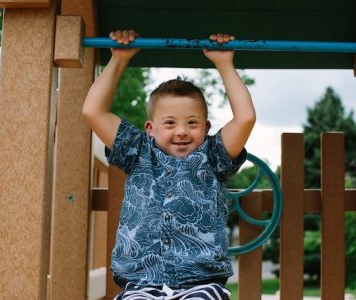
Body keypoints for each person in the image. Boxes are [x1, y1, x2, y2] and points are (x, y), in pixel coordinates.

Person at [83, 30, 256, 300]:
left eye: (192, 122)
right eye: (170, 123)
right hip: (141, 282)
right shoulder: (137, 151)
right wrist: (119, 59)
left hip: (201, 281)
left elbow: (245, 117)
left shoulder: (213, 154)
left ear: (206, 127)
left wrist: (224, 64)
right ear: (150, 128)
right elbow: (93, 111)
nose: (182, 131)